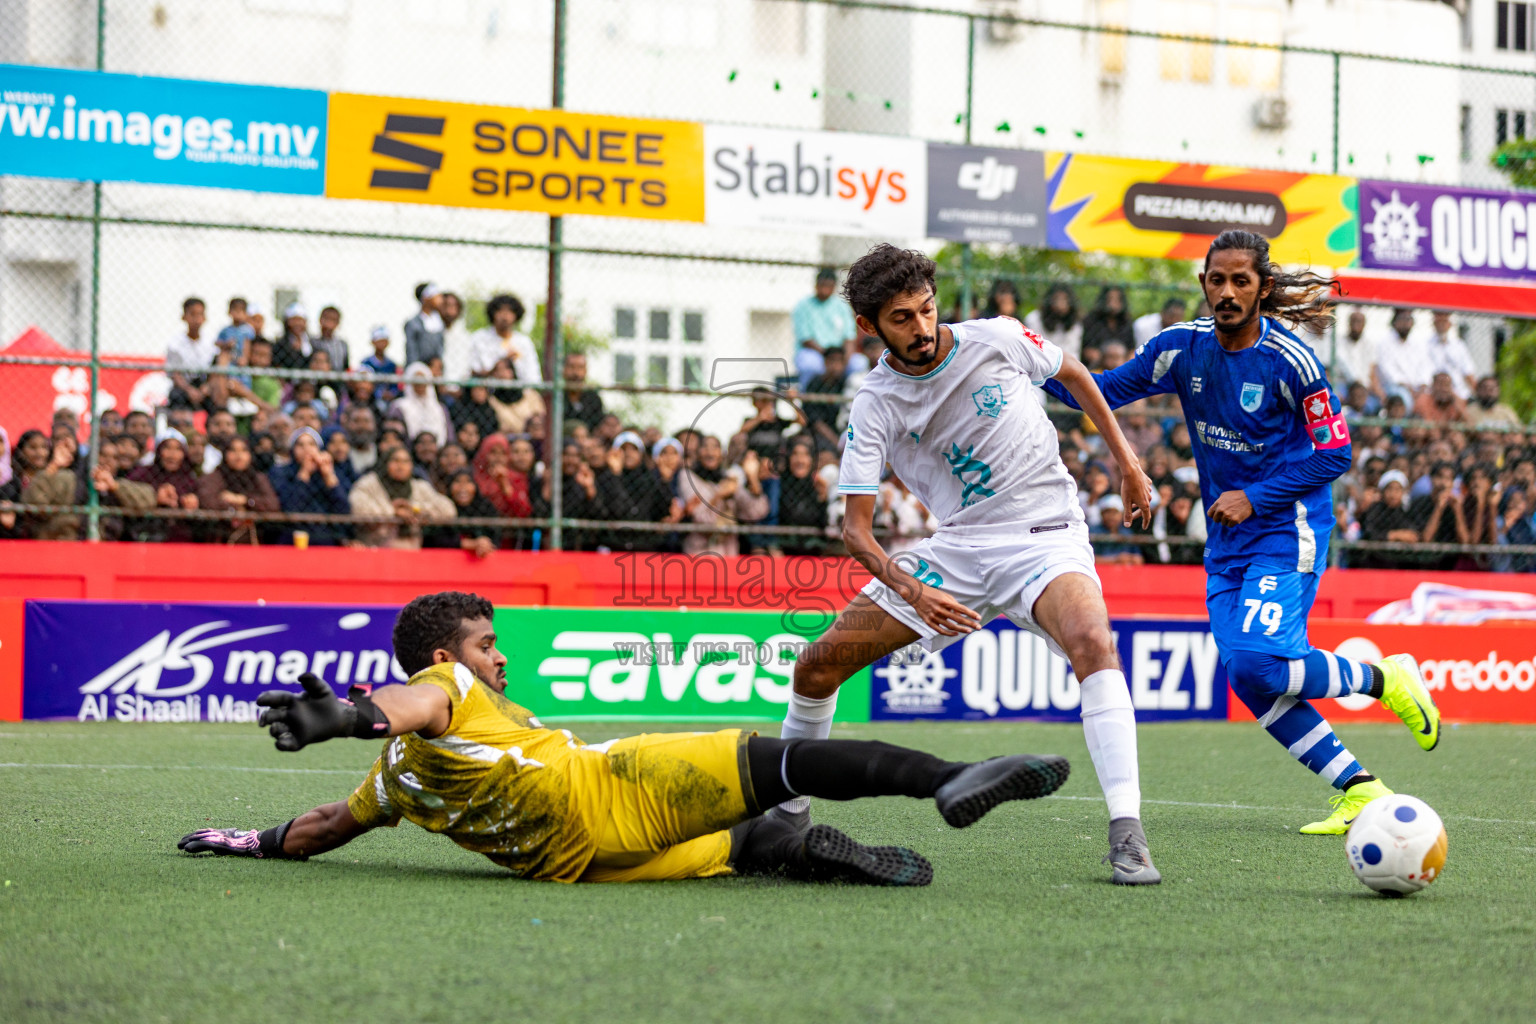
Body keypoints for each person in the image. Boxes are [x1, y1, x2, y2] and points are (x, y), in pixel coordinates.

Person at [177, 592, 1071, 885]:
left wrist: (245, 840)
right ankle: (950, 778)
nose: (500, 658)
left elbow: (324, 827)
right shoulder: (445, 688)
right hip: (608, 787)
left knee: (746, 842)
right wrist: (344, 716)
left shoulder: (393, 782)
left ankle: (794, 851)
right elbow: (400, 705)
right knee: (780, 760)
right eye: (487, 646)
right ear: (448, 658)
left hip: (588, 864)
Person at [781, 244, 1161, 884]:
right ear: (869, 326)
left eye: (927, 309)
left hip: (1046, 534)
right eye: (902, 318)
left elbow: (1075, 374)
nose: (922, 328)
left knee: (1094, 641)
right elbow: (856, 532)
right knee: (816, 668)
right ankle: (786, 816)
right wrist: (914, 591)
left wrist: (1127, 463)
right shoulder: (874, 402)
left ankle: (1128, 832)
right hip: (955, 549)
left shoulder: (997, 338)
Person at [1043, 229, 1442, 835]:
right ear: (1203, 283)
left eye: (1240, 281)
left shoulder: (1292, 361)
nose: (1226, 292)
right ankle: (1360, 789)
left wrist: (1254, 497)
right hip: (1227, 540)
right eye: (1216, 280)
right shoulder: (1181, 348)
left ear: (1263, 288)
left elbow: (1336, 452)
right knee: (1249, 677)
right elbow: (1102, 390)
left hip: (1287, 528)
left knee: (1259, 662)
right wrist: (1020, 365)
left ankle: (1384, 678)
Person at [349, 445, 455, 550]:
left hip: (411, 551)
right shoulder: (369, 484)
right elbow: (358, 509)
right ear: (385, 462)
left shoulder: (419, 486)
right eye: (396, 461)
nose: (401, 466)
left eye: (406, 462)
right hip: (375, 549)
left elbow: (448, 509)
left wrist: (414, 509)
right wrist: (393, 511)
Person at [268, 427, 350, 546]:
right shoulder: (281, 472)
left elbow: (343, 509)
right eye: (300, 445)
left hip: (326, 537)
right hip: (292, 536)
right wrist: (304, 473)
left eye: (311, 444)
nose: (306, 449)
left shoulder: (332, 471)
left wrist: (328, 475)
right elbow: (291, 508)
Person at [196, 436, 280, 544]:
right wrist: (234, 508)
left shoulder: (258, 478)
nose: (239, 456)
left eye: (244, 450)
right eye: (233, 450)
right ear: (225, 454)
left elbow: (272, 504)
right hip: (219, 539)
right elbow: (207, 501)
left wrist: (245, 500)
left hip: (254, 540)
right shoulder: (215, 477)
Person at [127, 433, 200, 543]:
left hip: (181, 540)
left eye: (178, 449)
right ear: (159, 451)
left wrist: (191, 502)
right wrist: (154, 495)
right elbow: (125, 490)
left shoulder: (189, 479)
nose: (172, 455)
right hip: (146, 536)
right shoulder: (143, 474)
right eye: (167, 448)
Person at [792, 268, 856, 388]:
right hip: (814, 352)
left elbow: (849, 337)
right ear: (816, 285)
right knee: (811, 365)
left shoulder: (842, 306)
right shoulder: (803, 305)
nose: (824, 289)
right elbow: (805, 339)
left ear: (834, 287)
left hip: (839, 354)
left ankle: (848, 398)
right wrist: (829, 357)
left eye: (828, 285)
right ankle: (807, 397)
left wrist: (844, 359)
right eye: (822, 285)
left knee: (858, 364)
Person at [166, 297, 224, 413]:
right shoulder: (175, 343)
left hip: (205, 385)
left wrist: (207, 387)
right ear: (184, 317)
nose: (197, 319)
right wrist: (189, 390)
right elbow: (175, 374)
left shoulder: (211, 342)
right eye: (192, 314)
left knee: (218, 399)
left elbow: (215, 368)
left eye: (200, 314)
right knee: (176, 397)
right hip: (184, 386)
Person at [469, 294, 541, 380]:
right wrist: (497, 367)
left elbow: (533, 374)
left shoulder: (524, 342)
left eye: (510, 311)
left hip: (518, 386)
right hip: (487, 385)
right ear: (492, 314)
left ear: (516, 315)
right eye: (500, 310)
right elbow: (473, 370)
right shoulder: (478, 338)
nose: (505, 316)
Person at [1372, 308, 1432, 401]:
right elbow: (1388, 371)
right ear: (1394, 322)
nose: (1405, 323)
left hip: (1417, 388)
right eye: (1402, 319)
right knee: (1403, 398)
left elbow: (1425, 366)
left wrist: (1422, 385)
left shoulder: (1418, 343)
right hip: (1394, 387)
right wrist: (1406, 386)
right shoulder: (1385, 342)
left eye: (1408, 319)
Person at [388, 363, 453, 447]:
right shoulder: (399, 407)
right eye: (416, 380)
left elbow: (450, 436)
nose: (420, 384)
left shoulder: (439, 408)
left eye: (423, 380)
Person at [1421, 311, 1475, 400]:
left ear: (1450, 324)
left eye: (1444, 321)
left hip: (1458, 392)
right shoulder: (1425, 345)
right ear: (1434, 323)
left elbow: (1468, 372)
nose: (1442, 325)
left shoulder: (1459, 345)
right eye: (1439, 321)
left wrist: (1476, 392)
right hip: (1433, 392)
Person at [1024, 284, 1082, 361]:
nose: (1061, 304)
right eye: (1057, 299)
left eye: (1065, 300)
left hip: (1066, 364)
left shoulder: (1075, 324)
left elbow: (1073, 353)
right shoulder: (1034, 319)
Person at [560, 352, 606, 431]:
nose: (576, 373)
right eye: (571, 367)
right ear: (563, 370)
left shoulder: (593, 399)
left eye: (580, 367)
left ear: (585, 371)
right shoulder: (555, 398)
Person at [1080, 285, 1134, 353]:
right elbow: (1088, 351)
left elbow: (1131, 350)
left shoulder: (1126, 322)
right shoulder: (1091, 321)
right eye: (1110, 299)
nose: (1113, 304)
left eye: (1117, 300)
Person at [404, 283, 445, 369]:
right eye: (436, 296)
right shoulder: (413, 323)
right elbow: (411, 351)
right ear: (426, 298)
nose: (441, 299)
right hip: (418, 369)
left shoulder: (439, 322)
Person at [361, 326, 399, 403]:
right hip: (371, 400)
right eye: (379, 341)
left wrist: (391, 393)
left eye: (384, 341)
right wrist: (379, 394)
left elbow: (394, 386)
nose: (382, 344)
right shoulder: (366, 363)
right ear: (373, 342)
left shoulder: (391, 365)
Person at [273, 302, 315, 371]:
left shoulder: (312, 343)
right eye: (294, 320)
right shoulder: (280, 344)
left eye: (300, 320)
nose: (297, 323)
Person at [313, 306, 349, 375]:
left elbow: (345, 367)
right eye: (326, 319)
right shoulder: (313, 342)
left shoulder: (342, 345)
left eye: (333, 320)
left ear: (338, 323)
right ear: (320, 320)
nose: (328, 323)